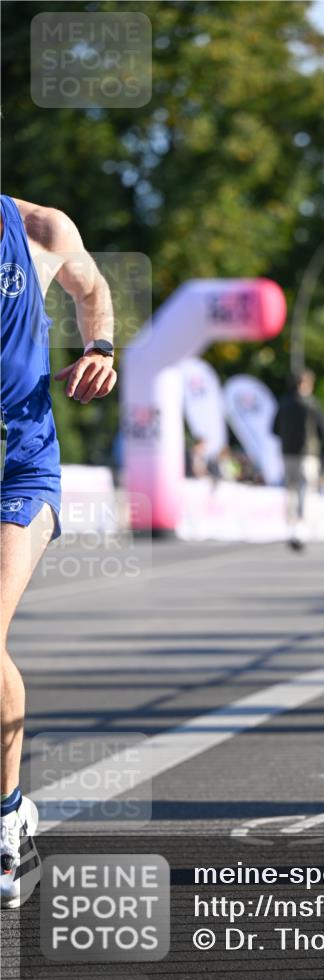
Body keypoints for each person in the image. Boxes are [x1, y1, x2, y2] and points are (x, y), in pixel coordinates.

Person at [0, 194, 116, 908]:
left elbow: (93, 287)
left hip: (19, 469)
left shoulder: (40, 228)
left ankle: (6, 814)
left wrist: (98, 347)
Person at [272, 369, 324, 550]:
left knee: (290, 489)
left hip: (288, 452)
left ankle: (291, 527)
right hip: (308, 454)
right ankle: (302, 528)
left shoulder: (283, 404)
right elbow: (323, 431)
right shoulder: (312, 404)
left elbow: (273, 429)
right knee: (306, 490)